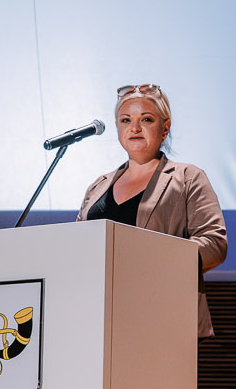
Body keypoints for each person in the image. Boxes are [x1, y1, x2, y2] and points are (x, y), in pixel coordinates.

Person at [76, 83, 228, 336]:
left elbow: (214, 245)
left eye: (146, 119)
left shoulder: (188, 178)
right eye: (126, 120)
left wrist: (149, 256)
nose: (134, 128)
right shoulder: (98, 186)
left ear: (165, 128)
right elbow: (76, 250)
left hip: (162, 319)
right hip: (98, 319)